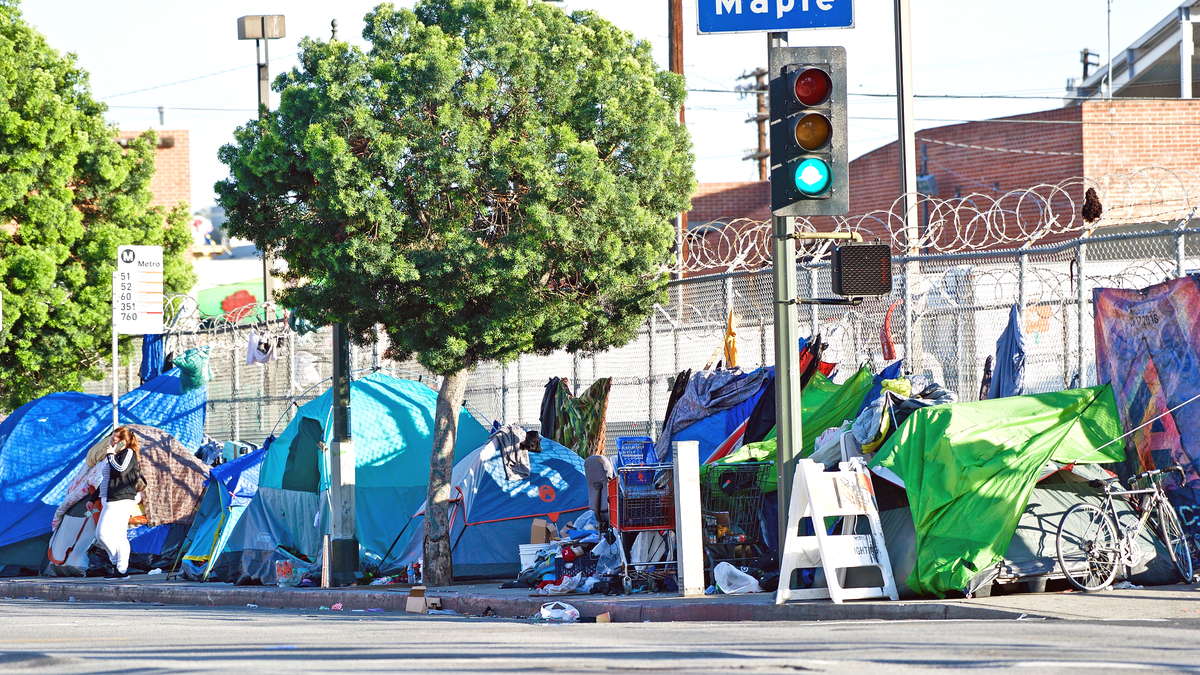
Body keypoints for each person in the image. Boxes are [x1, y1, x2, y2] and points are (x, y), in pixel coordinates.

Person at [95, 427, 145, 579]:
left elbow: (121, 469)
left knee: (107, 534)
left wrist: (110, 455)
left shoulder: (128, 452)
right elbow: (106, 479)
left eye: (115, 438)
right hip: (110, 498)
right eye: (112, 437)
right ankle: (119, 566)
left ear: (124, 441)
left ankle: (120, 567)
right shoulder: (117, 455)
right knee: (105, 535)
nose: (112, 440)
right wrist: (93, 498)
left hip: (121, 498)